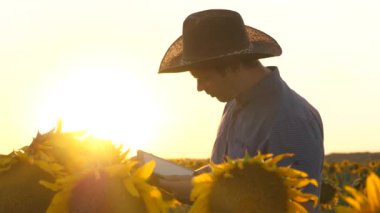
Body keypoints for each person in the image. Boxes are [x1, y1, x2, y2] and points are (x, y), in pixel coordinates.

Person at [156, 9, 324, 211]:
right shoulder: (233, 103)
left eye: (203, 77)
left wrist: (199, 193)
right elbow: (229, 171)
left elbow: (285, 204)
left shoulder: (291, 119)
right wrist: (185, 180)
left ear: (231, 67)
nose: (199, 87)